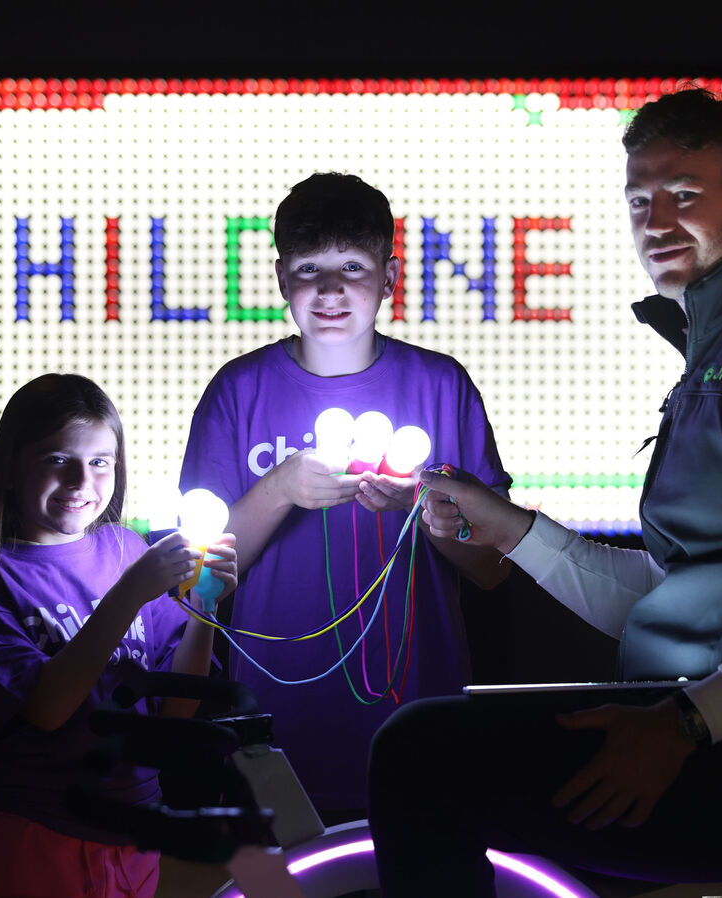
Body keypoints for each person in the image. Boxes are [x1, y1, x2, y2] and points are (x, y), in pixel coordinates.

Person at [368, 88, 722, 895]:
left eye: (686, 194)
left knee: (417, 753)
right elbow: (678, 600)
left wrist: (684, 723)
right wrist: (515, 532)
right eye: (641, 198)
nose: (657, 220)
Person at [179, 172, 510, 817]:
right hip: (274, 728)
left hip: (417, 724)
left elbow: (495, 569)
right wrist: (279, 487)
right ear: (281, 280)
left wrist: (424, 506)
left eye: (352, 266)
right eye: (308, 267)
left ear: (389, 277)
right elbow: (197, 578)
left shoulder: (441, 387)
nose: (329, 289)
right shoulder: (237, 392)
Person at [0, 373, 238, 898]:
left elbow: (176, 708)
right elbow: (46, 709)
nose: (82, 481)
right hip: (36, 831)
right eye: (57, 460)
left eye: (100, 462)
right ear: (10, 467)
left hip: (132, 829)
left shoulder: (125, 547)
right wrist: (130, 594)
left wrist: (204, 607)